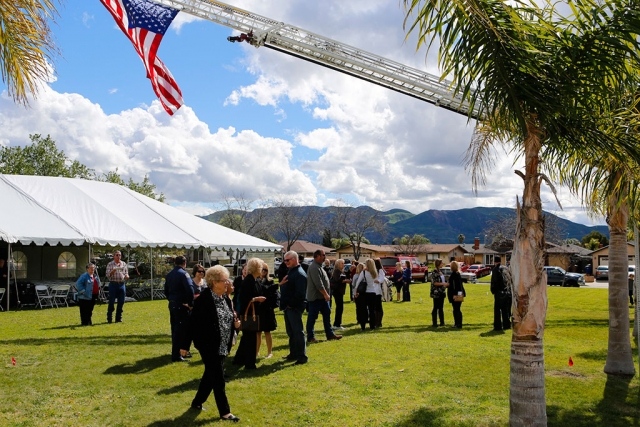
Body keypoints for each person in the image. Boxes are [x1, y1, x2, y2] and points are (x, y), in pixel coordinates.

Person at [190, 265, 241, 422]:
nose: (227, 282)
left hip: (222, 344)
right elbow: (192, 324)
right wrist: (185, 346)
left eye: (227, 279)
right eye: (223, 280)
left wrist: (235, 325)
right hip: (208, 345)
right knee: (218, 378)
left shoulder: (224, 297)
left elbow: (228, 317)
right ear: (213, 282)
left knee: (210, 375)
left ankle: (197, 402)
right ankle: (225, 412)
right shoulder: (203, 300)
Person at [232, 258, 266, 369]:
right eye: (260, 267)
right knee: (250, 338)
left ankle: (239, 359)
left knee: (247, 337)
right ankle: (249, 364)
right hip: (249, 313)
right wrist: (256, 299)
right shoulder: (249, 280)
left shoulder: (255, 279)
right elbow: (244, 298)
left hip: (253, 312)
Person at [306, 249, 342, 343]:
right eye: (323, 255)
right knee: (312, 318)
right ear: (317, 256)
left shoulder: (319, 266)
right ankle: (310, 337)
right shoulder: (314, 267)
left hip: (322, 298)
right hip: (316, 298)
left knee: (327, 316)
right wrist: (326, 294)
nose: (324, 257)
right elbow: (318, 283)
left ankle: (330, 334)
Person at [279, 251, 308, 365]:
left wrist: (291, 304)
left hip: (294, 307)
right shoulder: (292, 271)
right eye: (284, 260)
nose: (286, 262)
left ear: (295, 259)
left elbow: (300, 293)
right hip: (288, 306)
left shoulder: (299, 274)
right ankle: (294, 353)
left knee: (297, 332)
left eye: (288, 260)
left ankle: (302, 356)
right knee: (291, 332)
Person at [164, 256, 195, 362]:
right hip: (181, 305)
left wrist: (171, 299)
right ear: (184, 263)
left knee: (175, 329)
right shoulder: (184, 274)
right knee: (182, 330)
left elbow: (166, 290)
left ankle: (177, 352)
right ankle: (177, 354)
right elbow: (190, 289)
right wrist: (190, 303)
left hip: (172, 304)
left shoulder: (169, 274)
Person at [184, 264, 207, 358]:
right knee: (189, 331)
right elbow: (187, 295)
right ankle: (185, 349)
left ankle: (203, 348)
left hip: (203, 310)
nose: (201, 273)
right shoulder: (191, 282)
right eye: (199, 271)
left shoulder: (205, 282)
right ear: (195, 272)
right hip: (192, 309)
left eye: (203, 271)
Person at [256, 263, 278, 359]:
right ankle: (256, 352)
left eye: (265, 270)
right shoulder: (256, 281)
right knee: (258, 332)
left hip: (267, 309)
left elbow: (273, 294)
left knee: (267, 331)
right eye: (262, 269)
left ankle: (269, 352)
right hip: (258, 309)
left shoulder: (270, 281)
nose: (263, 272)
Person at [354, 259, 379, 330]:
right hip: (373, 292)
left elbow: (358, 282)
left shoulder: (364, 272)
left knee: (363, 310)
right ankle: (372, 326)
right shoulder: (375, 273)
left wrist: (356, 292)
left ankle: (363, 326)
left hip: (365, 293)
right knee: (372, 311)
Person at [105, 250, 129, 323]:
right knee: (111, 301)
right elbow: (107, 275)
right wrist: (113, 271)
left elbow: (126, 273)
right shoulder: (110, 264)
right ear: (114, 256)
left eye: (120, 255)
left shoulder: (123, 264)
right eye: (117, 255)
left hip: (121, 284)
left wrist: (127, 276)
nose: (118, 256)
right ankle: (109, 317)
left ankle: (118, 318)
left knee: (121, 301)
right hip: (113, 284)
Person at [490, 256, 511, 331]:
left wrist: (493, 290)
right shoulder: (506, 269)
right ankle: (507, 324)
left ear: (495, 262)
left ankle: (498, 326)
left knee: (497, 310)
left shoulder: (496, 269)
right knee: (505, 310)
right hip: (507, 292)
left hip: (499, 292)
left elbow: (494, 281)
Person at [330, 259, 350, 330]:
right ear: (338, 264)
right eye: (342, 263)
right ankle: (337, 324)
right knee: (339, 307)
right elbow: (338, 280)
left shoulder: (341, 271)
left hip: (340, 291)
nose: (343, 265)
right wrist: (345, 281)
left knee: (340, 307)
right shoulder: (336, 271)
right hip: (337, 291)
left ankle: (337, 324)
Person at [447, 261, 466, 328]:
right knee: (457, 309)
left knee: (456, 309)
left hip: (455, 294)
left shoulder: (454, 275)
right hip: (459, 294)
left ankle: (457, 324)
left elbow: (455, 286)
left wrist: (455, 294)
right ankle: (458, 323)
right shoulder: (458, 274)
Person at [430, 259, 448, 327]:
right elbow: (434, 283)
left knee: (441, 307)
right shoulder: (434, 272)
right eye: (441, 263)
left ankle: (442, 322)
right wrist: (443, 283)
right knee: (435, 307)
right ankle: (434, 323)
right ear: (438, 264)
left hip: (441, 292)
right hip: (436, 292)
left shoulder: (440, 271)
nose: (443, 264)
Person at [373, 258, 386, 327]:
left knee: (378, 306)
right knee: (374, 307)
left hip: (377, 290)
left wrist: (377, 280)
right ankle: (375, 321)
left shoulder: (380, 270)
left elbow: (382, 278)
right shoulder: (371, 270)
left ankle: (379, 322)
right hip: (372, 290)